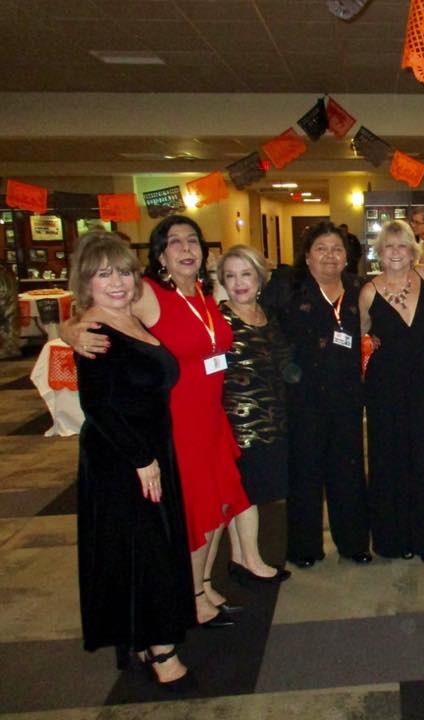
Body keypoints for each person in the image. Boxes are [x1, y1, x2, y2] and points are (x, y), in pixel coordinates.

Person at [66, 215, 277, 628]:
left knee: (219, 507)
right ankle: (191, 596)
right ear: (160, 254)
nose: (185, 248)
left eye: (192, 240)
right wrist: (71, 329)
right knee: (198, 513)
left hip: (212, 418)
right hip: (180, 422)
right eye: (174, 242)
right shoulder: (149, 292)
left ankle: (202, 584)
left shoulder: (203, 292)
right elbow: (99, 311)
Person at [72, 232, 194, 688]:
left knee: (145, 550)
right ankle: (162, 650)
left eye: (123, 272)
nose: (117, 282)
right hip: (122, 458)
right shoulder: (95, 331)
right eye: (104, 275)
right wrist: (142, 459)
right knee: (147, 551)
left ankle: (143, 636)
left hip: (148, 449)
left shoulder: (128, 318)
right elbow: (97, 406)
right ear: (86, 282)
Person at [261, 221, 372, 567]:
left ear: (347, 256)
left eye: (337, 249)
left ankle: (353, 543)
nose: (330, 255)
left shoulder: (358, 288)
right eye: (321, 248)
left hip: (347, 398)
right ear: (307, 256)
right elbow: (264, 329)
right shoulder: (287, 288)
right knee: (304, 473)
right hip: (302, 398)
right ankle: (304, 548)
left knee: (348, 471)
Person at [359, 220, 424, 563]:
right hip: (385, 390)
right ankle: (394, 539)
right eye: (389, 247)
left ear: (413, 252)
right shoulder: (369, 292)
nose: (395, 252)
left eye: (402, 246)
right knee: (389, 461)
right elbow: (360, 340)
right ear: (379, 253)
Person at [218, 246, 293, 585]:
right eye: (230, 276)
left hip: (270, 419)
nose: (239, 283)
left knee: (249, 493)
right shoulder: (218, 319)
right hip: (236, 423)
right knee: (246, 492)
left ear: (260, 278)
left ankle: (239, 559)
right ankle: (251, 560)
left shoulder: (267, 313)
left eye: (245, 274)